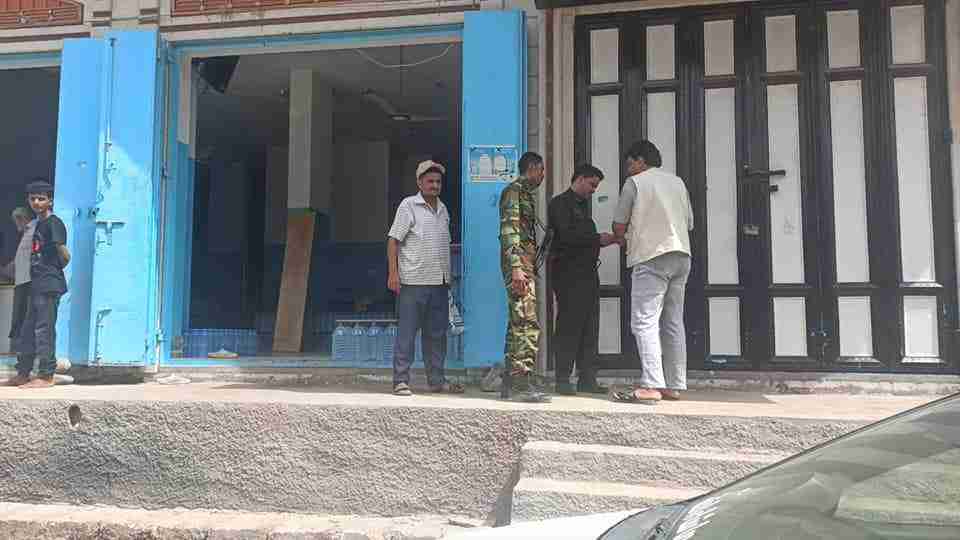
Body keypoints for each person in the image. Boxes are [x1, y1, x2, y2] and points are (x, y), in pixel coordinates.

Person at [612, 141, 693, 404]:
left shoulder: (635, 183)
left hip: (651, 256)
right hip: (681, 255)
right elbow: (689, 222)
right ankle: (674, 384)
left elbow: (619, 223)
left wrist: (622, 238)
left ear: (640, 161)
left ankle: (651, 384)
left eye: (630, 164)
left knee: (644, 321)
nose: (628, 169)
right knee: (673, 321)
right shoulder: (678, 182)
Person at [387, 160, 463, 396]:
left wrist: (448, 278)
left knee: (437, 336)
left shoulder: (443, 209)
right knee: (407, 334)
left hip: (439, 283)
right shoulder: (408, 206)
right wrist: (393, 274)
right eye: (430, 181)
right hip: (412, 283)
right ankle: (401, 380)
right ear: (419, 183)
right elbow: (393, 241)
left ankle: (436, 381)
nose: (435, 185)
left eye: (438, 181)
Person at [547, 164, 619, 396]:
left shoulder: (582, 205)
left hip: (587, 274)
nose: (594, 190)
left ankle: (587, 378)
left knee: (589, 327)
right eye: (592, 185)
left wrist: (599, 241)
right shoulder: (560, 204)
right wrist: (598, 239)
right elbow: (567, 235)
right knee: (569, 327)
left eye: (596, 187)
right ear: (579, 179)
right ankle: (562, 379)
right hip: (568, 275)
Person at [499, 151, 550, 402]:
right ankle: (521, 382)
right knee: (526, 323)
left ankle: (510, 382)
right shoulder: (514, 192)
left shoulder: (525, 194)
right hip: (519, 267)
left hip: (525, 265)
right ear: (533, 168)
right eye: (542, 170)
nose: (543, 176)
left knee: (517, 323)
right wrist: (517, 267)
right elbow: (509, 230)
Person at [10, 180, 70, 389]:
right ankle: (23, 373)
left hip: (48, 283)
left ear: (50, 201)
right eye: (33, 198)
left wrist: (51, 270)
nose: (36, 202)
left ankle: (46, 375)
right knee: (28, 330)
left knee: (44, 330)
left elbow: (64, 255)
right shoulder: (36, 224)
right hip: (34, 283)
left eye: (41, 199)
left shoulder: (54, 223)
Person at [3, 208, 34, 364]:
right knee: (19, 319)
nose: (16, 225)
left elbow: (23, 261)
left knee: (22, 318)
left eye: (16, 221)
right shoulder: (27, 233)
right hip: (21, 281)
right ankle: (19, 355)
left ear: (21, 218)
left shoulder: (33, 231)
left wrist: (4, 270)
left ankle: (21, 356)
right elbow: (18, 261)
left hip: (27, 282)